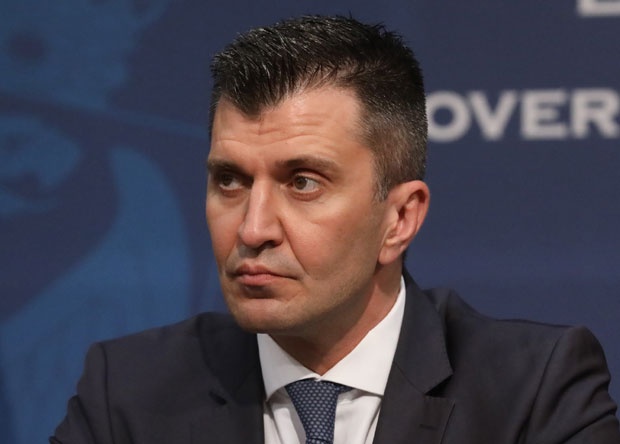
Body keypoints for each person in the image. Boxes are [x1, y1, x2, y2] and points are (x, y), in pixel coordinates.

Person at [51, 15, 620, 444]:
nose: (252, 228)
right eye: (230, 180)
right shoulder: (127, 391)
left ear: (400, 219)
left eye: (303, 183)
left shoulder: (534, 391)